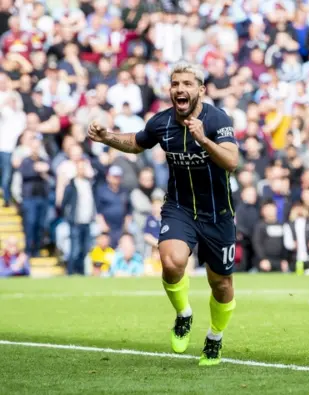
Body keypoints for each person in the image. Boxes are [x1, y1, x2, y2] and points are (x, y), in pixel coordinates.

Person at [87, 62, 239, 366]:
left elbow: (232, 161)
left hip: (217, 214)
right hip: (179, 208)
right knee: (171, 263)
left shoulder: (217, 120)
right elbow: (137, 143)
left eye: (186, 83)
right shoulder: (162, 122)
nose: (180, 89)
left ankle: (215, 337)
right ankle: (183, 315)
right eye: (174, 84)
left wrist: (204, 140)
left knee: (221, 284)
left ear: (200, 90)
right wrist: (107, 137)